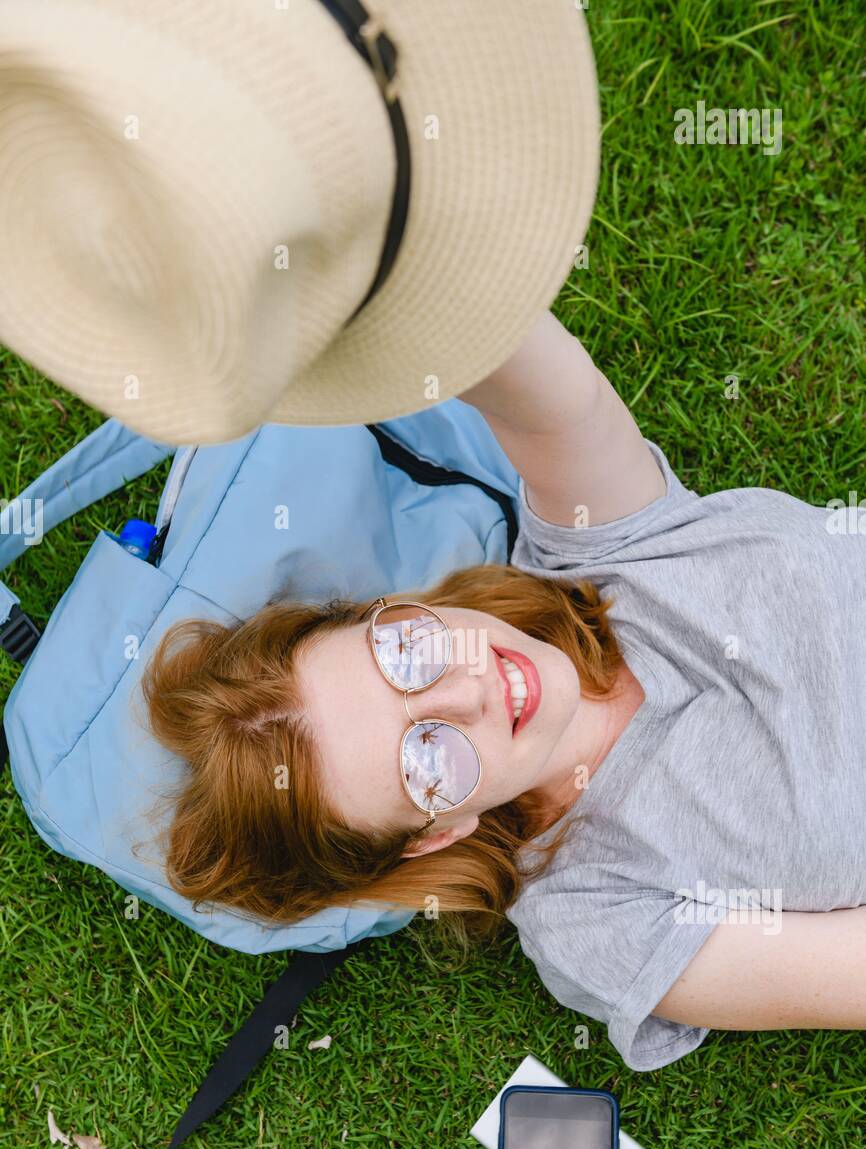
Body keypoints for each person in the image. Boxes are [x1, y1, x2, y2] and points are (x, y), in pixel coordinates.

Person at [140, 309, 866, 1071]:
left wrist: (383, 276)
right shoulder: (595, 920)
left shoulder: (598, 548)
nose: (469, 690)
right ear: (436, 834)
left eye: (407, 654)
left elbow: (536, 377)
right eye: (425, 760)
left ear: (389, 607)